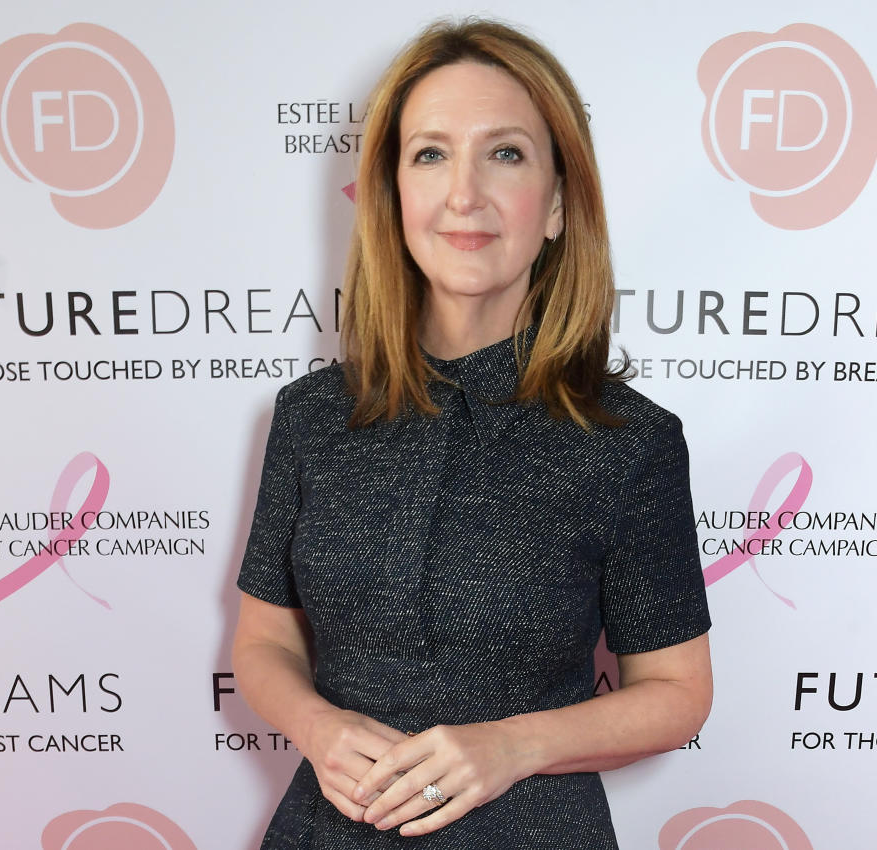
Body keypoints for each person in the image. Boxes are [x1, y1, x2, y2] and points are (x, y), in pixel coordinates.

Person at [231, 17, 712, 849]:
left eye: (506, 153)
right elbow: (264, 638)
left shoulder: (628, 440)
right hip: (327, 829)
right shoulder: (310, 418)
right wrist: (317, 728)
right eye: (430, 154)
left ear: (559, 203)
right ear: (393, 195)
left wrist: (511, 746)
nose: (464, 193)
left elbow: (677, 690)